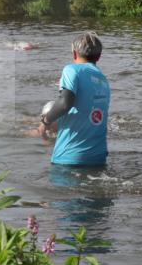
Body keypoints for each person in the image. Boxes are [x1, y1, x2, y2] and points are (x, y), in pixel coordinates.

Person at [38, 32, 111, 166]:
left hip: (69, 158)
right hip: (98, 158)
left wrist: (45, 121)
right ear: (99, 57)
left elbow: (65, 103)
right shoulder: (103, 80)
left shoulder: (72, 70)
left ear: (74, 54)